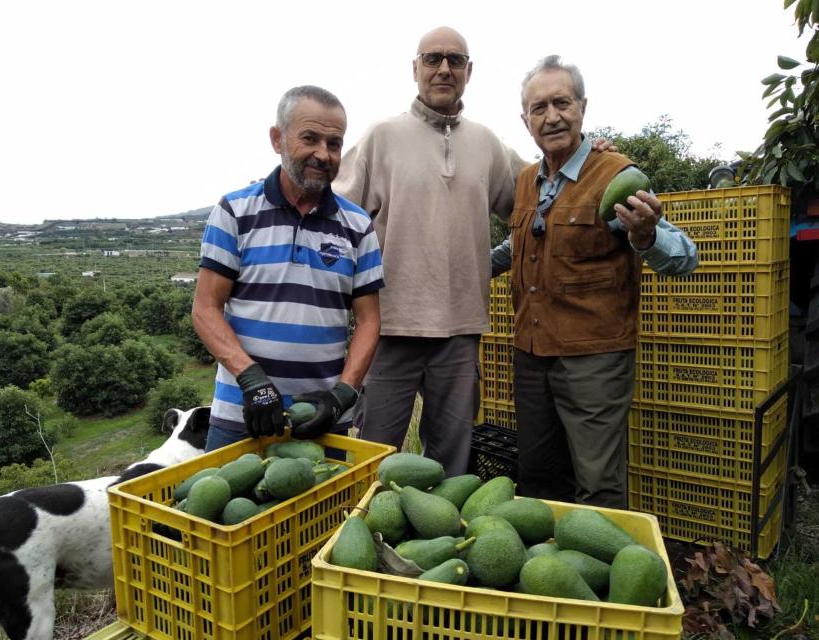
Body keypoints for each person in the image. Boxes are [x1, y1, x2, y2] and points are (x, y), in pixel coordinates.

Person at [492, 56, 699, 508]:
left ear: (582, 107)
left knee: (598, 484)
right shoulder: (527, 180)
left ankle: (601, 574)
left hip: (594, 360)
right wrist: (470, 270)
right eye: (539, 108)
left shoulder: (616, 175)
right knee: (538, 476)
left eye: (561, 102)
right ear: (525, 120)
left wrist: (644, 235)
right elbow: (521, 246)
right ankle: (548, 575)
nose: (552, 117)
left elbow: (685, 257)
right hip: (531, 354)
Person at [333, 26, 526, 476]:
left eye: (455, 61)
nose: (444, 69)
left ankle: (437, 544)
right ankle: (365, 537)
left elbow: (537, 197)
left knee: (451, 467)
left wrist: (588, 159)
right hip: (389, 329)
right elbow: (337, 216)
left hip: (460, 334)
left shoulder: (487, 144)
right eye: (433, 59)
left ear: (469, 72)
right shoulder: (382, 137)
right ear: (415, 68)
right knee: (374, 460)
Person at [192, 85, 384, 451]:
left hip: (323, 420)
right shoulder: (235, 212)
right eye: (309, 138)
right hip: (242, 417)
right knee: (229, 510)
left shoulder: (358, 226)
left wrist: (343, 394)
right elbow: (205, 308)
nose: (322, 154)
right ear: (277, 138)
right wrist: (252, 381)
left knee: (329, 511)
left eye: (334, 143)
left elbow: (370, 320)